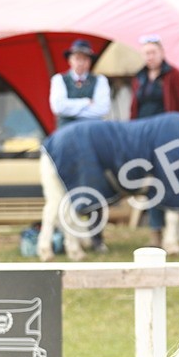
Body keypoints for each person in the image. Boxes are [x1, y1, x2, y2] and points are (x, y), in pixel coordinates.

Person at [130, 35, 179, 247]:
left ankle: (177, 233)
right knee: (152, 185)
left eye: (153, 52)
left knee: (173, 183)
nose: (149, 56)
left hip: (168, 138)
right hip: (144, 138)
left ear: (161, 53)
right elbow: (134, 109)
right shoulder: (139, 78)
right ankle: (155, 232)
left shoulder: (174, 76)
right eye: (146, 53)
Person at [49, 38, 111, 251]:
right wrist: (86, 103)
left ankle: (96, 238)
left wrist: (72, 106)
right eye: (77, 58)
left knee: (96, 187)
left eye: (85, 59)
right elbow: (58, 107)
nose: (81, 63)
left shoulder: (100, 81)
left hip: (93, 144)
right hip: (66, 143)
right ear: (70, 60)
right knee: (65, 189)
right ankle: (69, 237)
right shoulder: (59, 80)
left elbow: (102, 108)